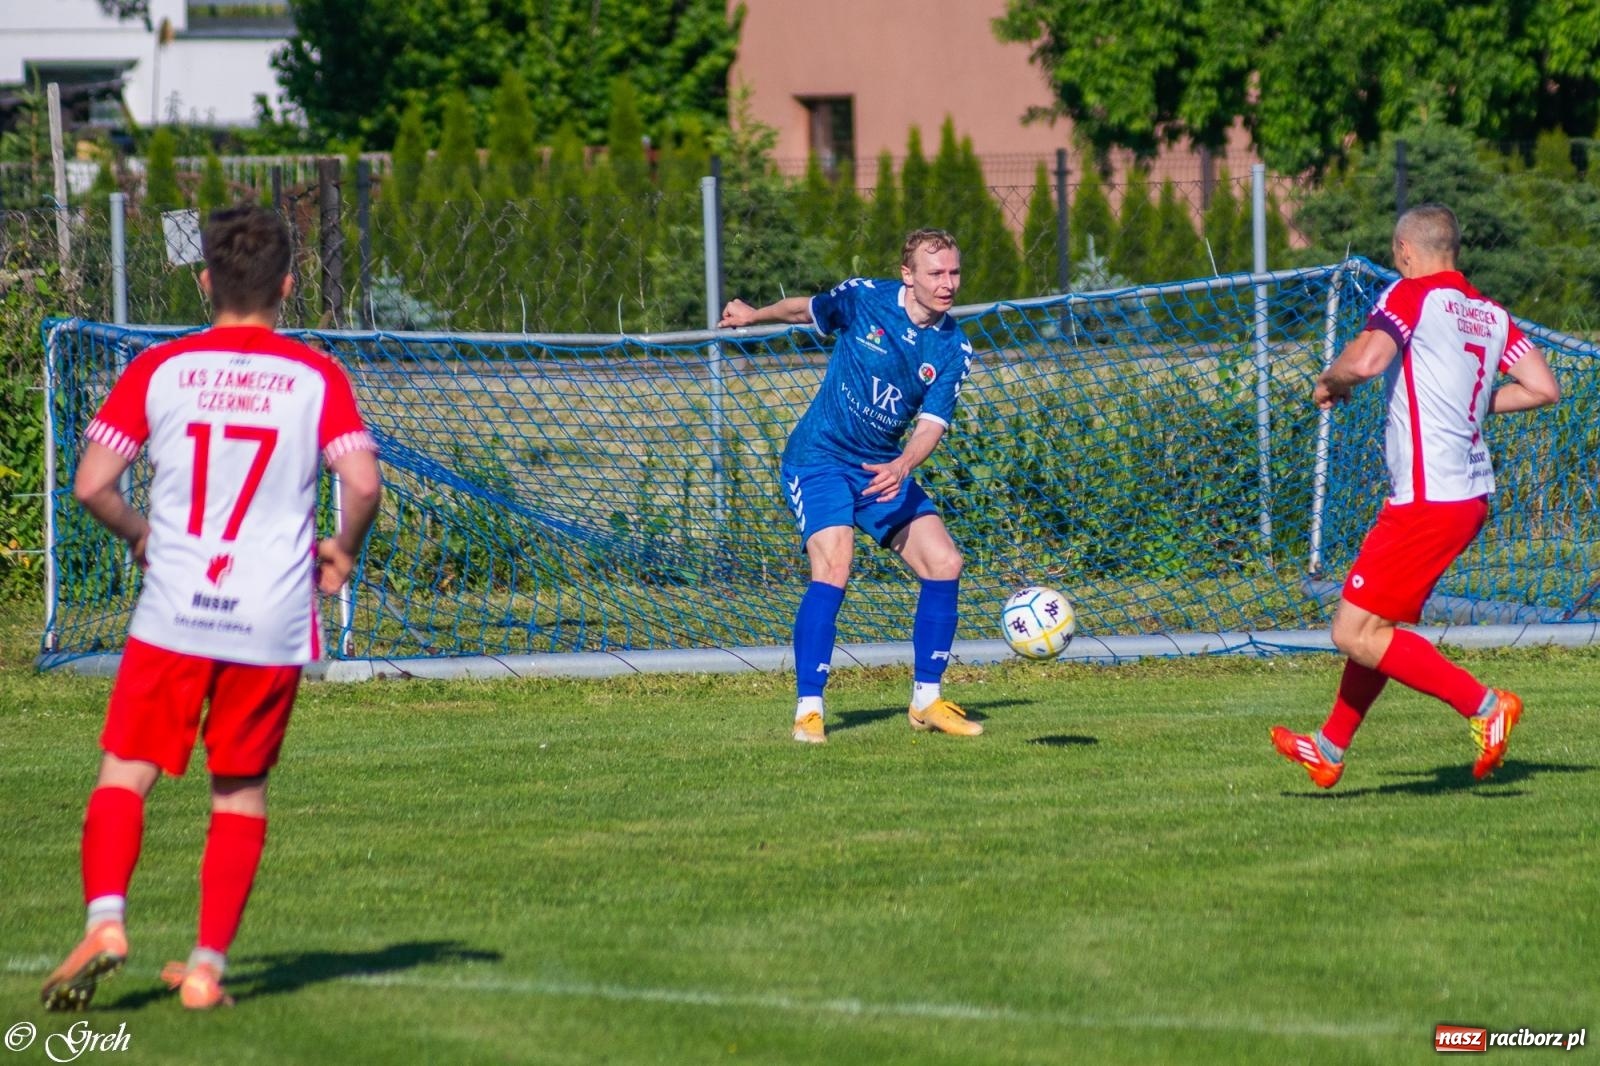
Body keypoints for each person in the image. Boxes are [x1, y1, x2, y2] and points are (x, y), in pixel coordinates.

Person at [40, 205, 383, 1011]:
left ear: (205, 282)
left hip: (175, 609)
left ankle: (107, 921)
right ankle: (204, 969)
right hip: (268, 617)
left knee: (127, 770)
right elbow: (363, 482)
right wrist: (343, 548)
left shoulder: (160, 368)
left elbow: (92, 483)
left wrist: (140, 534)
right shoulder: (315, 377)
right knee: (238, 791)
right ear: (288, 287)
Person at [1272, 203, 1559, 788]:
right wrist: (1468, 403)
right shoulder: (1491, 314)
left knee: (1352, 632)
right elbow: (1542, 388)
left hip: (1429, 499)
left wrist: (1329, 381)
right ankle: (1328, 747)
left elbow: (1368, 359)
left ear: (1405, 251)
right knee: (1373, 626)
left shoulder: (1411, 293)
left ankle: (1486, 706)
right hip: (1467, 496)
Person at [718, 228, 977, 744]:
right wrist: (753, 315)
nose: (947, 283)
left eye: (953, 272)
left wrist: (902, 464)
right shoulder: (864, 298)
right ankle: (809, 710)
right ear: (908, 276)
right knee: (835, 566)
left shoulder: (954, 347)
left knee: (945, 562)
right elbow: (803, 310)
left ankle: (927, 701)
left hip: (882, 467)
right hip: (819, 459)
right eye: (935, 273)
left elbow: (931, 425)